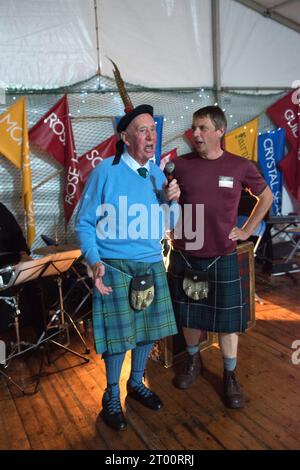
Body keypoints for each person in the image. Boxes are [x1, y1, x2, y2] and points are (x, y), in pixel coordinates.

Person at [75, 104, 180, 431]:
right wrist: (94, 260)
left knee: (147, 331)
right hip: (115, 266)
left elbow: (170, 225)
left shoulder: (157, 173)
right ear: (125, 137)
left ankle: (136, 383)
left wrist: (171, 202)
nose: (151, 136)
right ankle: (111, 394)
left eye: (153, 130)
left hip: (149, 261)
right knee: (119, 338)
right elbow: (84, 223)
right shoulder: (105, 171)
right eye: (142, 130)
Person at [167, 106, 273, 408]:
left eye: (202, 128)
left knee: (227, 322)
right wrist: (167, 198)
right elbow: (166, 205)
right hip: (187, 253)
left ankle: (230, 374)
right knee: (189, 315)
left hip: (223, 255)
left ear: (219, 131)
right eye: (193, 128)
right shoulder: (179, 166)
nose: (195, 134)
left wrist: (247, 229)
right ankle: (192, 361)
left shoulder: (240, 166)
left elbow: (266, 197)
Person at [0, 202, 45, 338]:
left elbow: (16, 234)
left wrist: (24, 254)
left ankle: (42, 333)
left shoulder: (1, 208)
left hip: (11, 261)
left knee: (34, 283)